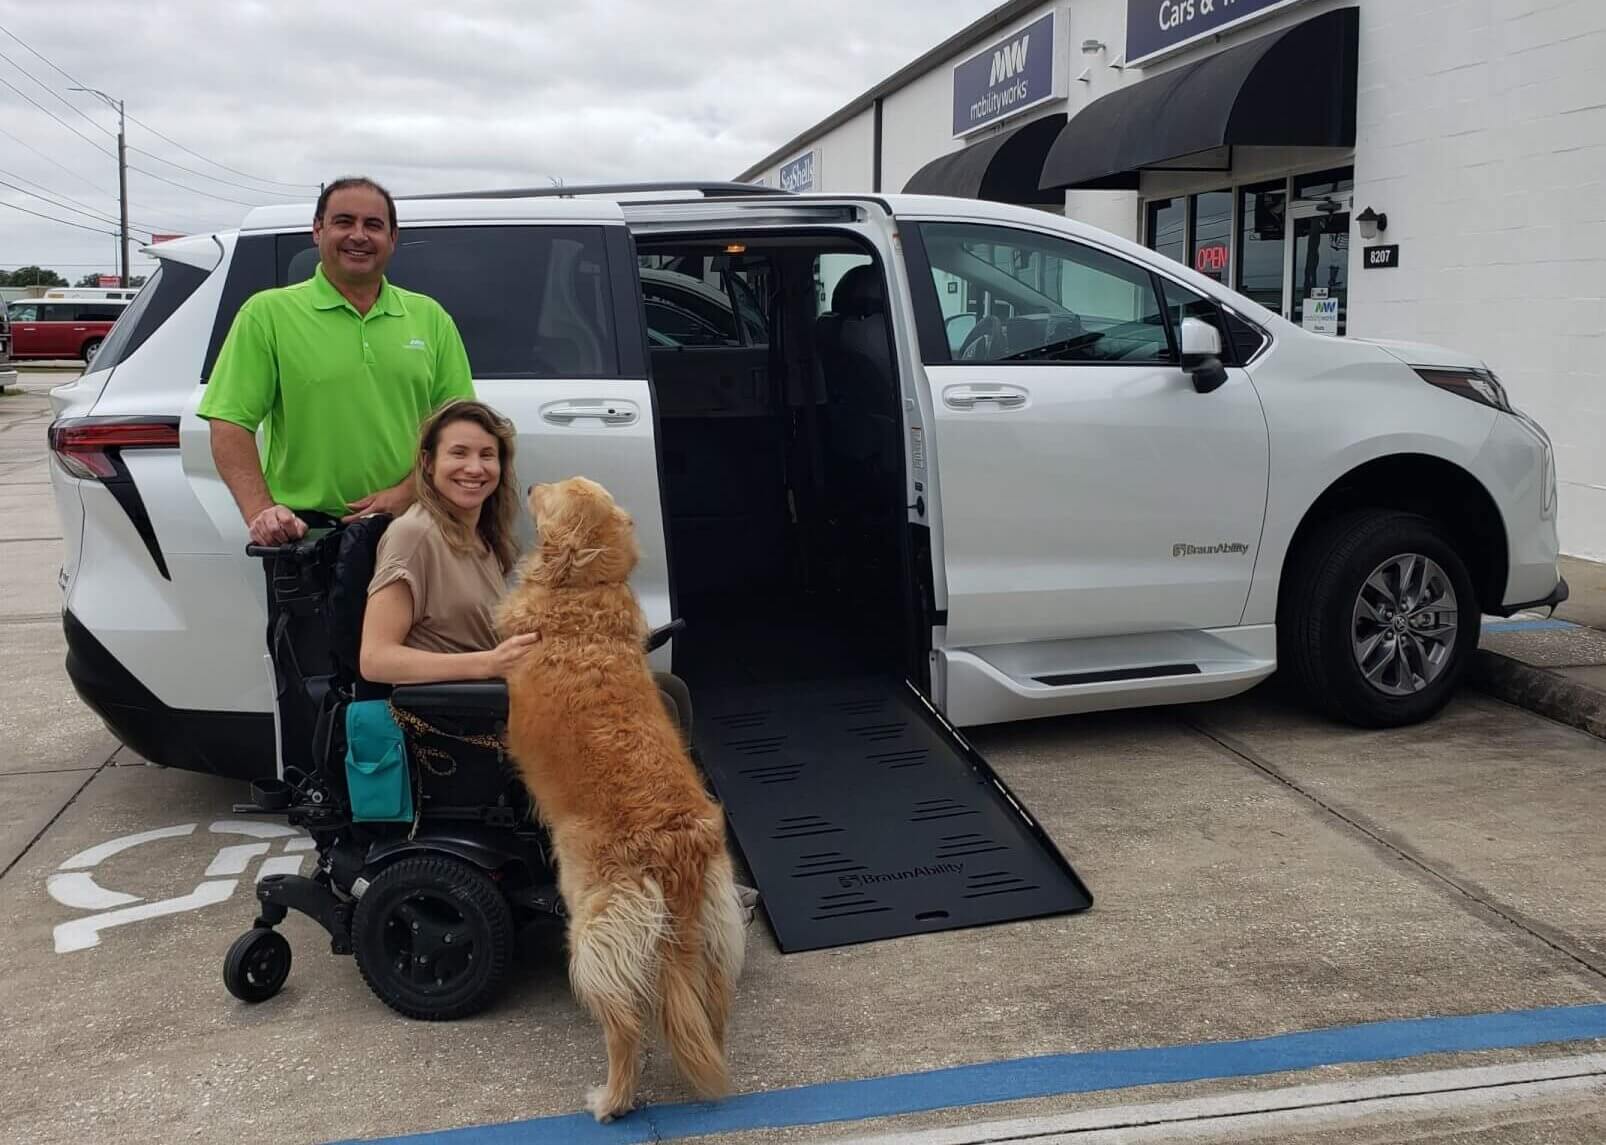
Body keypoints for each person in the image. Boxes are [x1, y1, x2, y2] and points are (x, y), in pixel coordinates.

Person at [198, 175, 475, 545]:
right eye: (344, 222)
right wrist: (262, 512)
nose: (358, 235)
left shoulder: (431, 318)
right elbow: (230, 422)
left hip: (412, 528)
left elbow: (460, 430)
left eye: (373, 225)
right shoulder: (268, 314)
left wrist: (407, 493)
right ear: (317, 231)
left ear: (392, 239)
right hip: (308, 538)